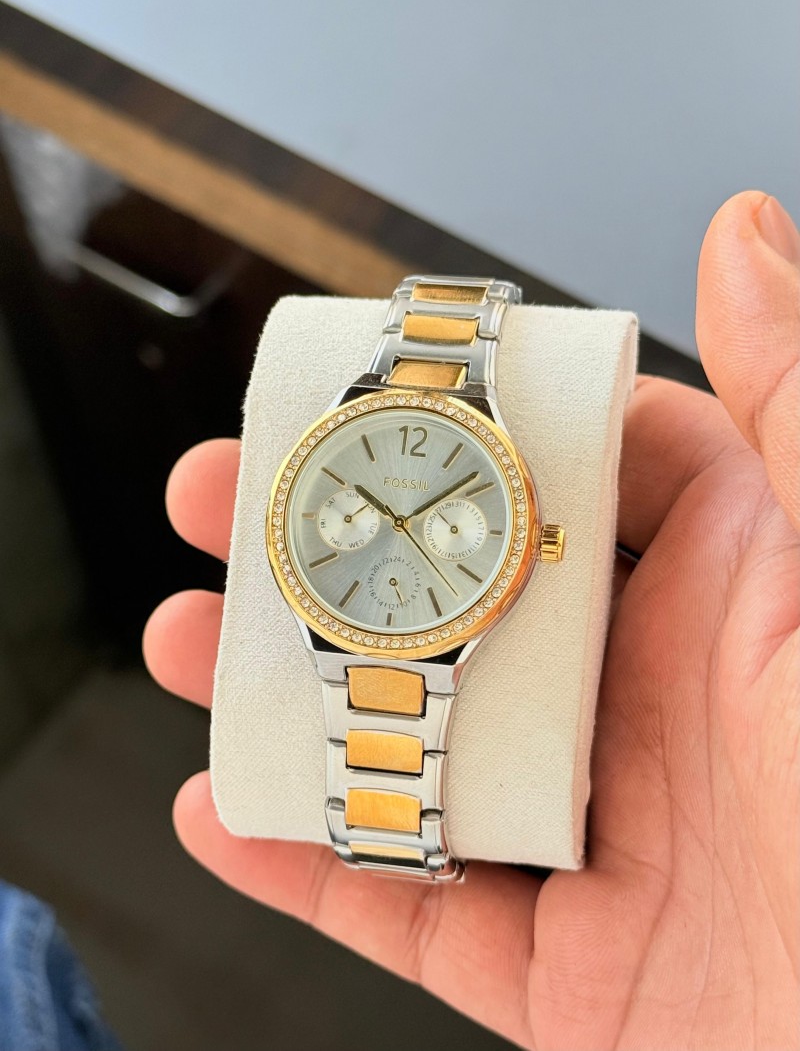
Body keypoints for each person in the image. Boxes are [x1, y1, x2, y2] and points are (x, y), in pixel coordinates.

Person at [144, 190, 800, 1050]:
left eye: (430, 520)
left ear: (537, 540)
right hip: (341, 622)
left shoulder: (524, 533)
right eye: (382, 515)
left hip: (448, 626)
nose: (401, 525)